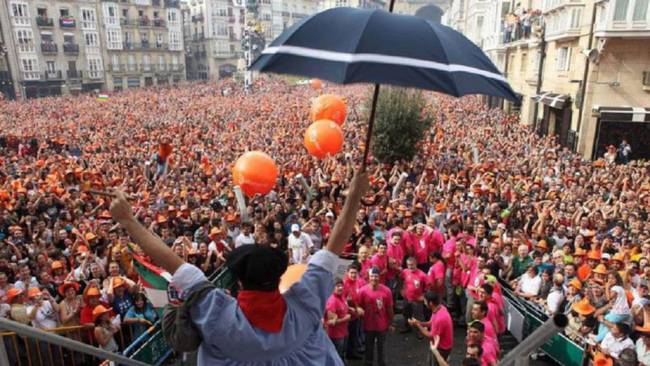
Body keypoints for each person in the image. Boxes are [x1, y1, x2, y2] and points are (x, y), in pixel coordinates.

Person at [109, 172, 369, 364]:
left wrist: (128, 220)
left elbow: (171, 262)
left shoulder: (217, 314)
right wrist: (355, 195)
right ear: (279, 276)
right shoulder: (306, 301)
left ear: (240, 282)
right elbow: (335, 245)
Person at [358, 267, 393, 366]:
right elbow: (359, 306)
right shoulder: (362, 291)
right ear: (368, 277)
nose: (374, 278)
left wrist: (391, 322)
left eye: (376, 276)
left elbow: (390, 308)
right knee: (369, 347)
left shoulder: (387, 291)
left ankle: (381, 363)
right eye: (372, 276)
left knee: (381, 347)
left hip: (382, 325)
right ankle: (368, 363)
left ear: (379, 277)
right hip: (368, 325)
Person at [409, 292, 453, 364]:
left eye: (425, 301)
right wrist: (419, 322)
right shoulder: (439, 308)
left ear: (431, 303)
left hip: (442, 348)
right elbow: (431, 323)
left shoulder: (440, 318)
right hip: (438, 345)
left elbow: (430, 336)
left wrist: (417, 325)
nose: (424, 303)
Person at [325, 279, 351, 359]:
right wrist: (346, 318)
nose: (340, 288)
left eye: (341, 286)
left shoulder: (342, 296)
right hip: (336, 335)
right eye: (337, 286)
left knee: (343, 354)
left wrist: (351, 309)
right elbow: (330, 322)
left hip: (344, 332)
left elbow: (344, 308)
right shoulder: (332, 301)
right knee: (337, 357)